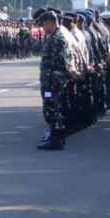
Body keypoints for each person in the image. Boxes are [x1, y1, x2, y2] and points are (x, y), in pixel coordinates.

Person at [36, 10, 75, 151]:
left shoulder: (57, 38)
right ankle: (56, 136)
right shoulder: (57, 35)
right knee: (53, 108)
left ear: (50, 22)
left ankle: (56, 139)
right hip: (51, 79)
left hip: (52, 81)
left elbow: (61, 62)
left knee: (52, 108)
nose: (43, 28)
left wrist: (56, 76)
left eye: (43, 25)